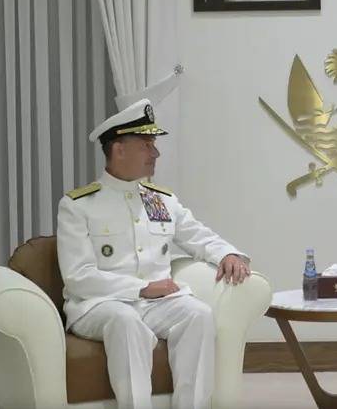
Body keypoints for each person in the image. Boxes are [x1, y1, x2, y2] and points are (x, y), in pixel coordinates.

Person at [57, 98, 251, 409]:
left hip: (156, 304)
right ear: (119, 149)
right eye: (147, 145)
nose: (156, 154)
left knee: (198, 314)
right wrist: (142, 288)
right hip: (99, 304)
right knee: (125, 321)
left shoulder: (160, 200)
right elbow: (78, 277)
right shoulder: (78, 205)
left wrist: (227, 254)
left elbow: (197, 235)